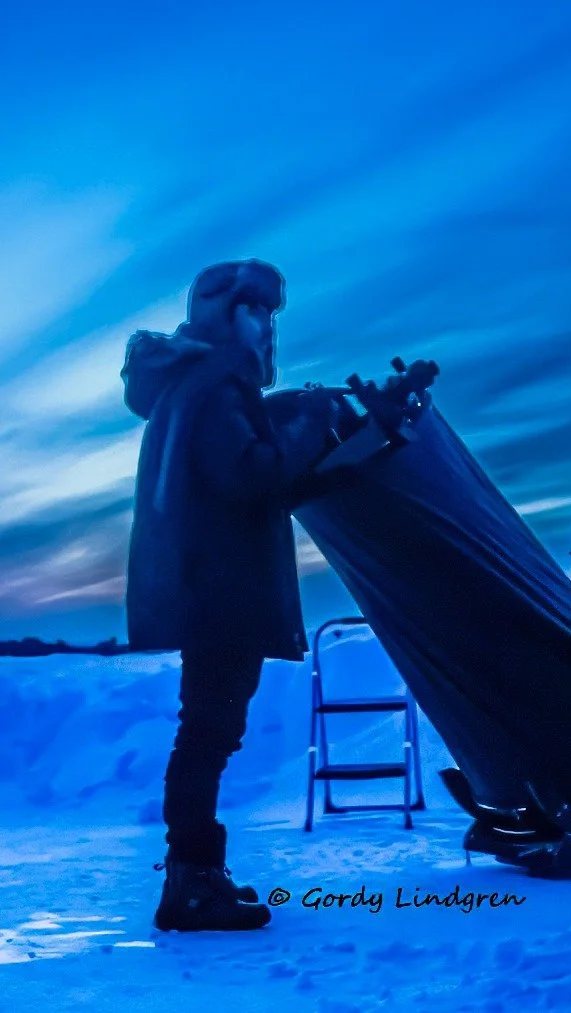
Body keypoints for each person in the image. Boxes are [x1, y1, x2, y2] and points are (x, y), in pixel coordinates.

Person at [123, 260, 340, 932]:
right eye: (256, 311)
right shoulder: (216, 383)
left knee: (208, 730)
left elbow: (248, 478)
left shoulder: (195, 382)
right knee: (208, 732)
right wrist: (311, 423)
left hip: (207, 588)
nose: (267, 326)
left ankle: (197, 875)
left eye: (271, 313)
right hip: (219, 591)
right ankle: (191, 882)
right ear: (225, 315)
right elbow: (246, 476)